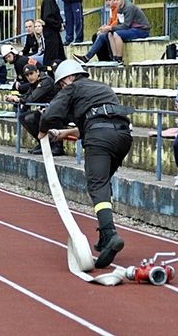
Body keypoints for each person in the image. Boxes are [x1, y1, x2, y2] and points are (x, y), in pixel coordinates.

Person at [38, 59, 133, 269]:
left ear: (70, 78)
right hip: (123, 135)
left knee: (97, 185)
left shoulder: (72, 88)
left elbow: (52, 113)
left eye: (61, 84)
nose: (62, 88)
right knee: (103, 184)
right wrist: (65, 133)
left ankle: (110, 234)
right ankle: (104, 232)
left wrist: (42, 128)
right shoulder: (102, 88)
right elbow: (99, 119)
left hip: (99, 137)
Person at [73, 0, 149, 65]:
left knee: (116, 34)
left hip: (141, 30)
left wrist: (110, 28)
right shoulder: (119, 8)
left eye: (118, 0)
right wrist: (108, 28)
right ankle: (87, 57)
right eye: (115, 0)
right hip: (131, 29)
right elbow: (119, 24)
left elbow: (126, 25)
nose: (116, 2)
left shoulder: (129, 7)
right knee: (106, 35)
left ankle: (119, 59)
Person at [4, 64, 63, 156]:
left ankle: (57, 146)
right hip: (46, 110)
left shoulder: (45, 81)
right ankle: (43, 143)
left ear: (37, 72)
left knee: (38, 116)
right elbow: (27, 96)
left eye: (31, 73)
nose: (29, 77)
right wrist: (15, 98)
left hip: (58, 111)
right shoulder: (34, 83)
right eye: (27, 75)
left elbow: (32, 98)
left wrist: (18, 99)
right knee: (23, 117)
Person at [41, 0, 66, 70]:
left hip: (53, 32)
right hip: (51, 33)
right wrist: (58, 25)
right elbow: (47, 17)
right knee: (52, 56)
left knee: (58, 55)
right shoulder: (48, 0)